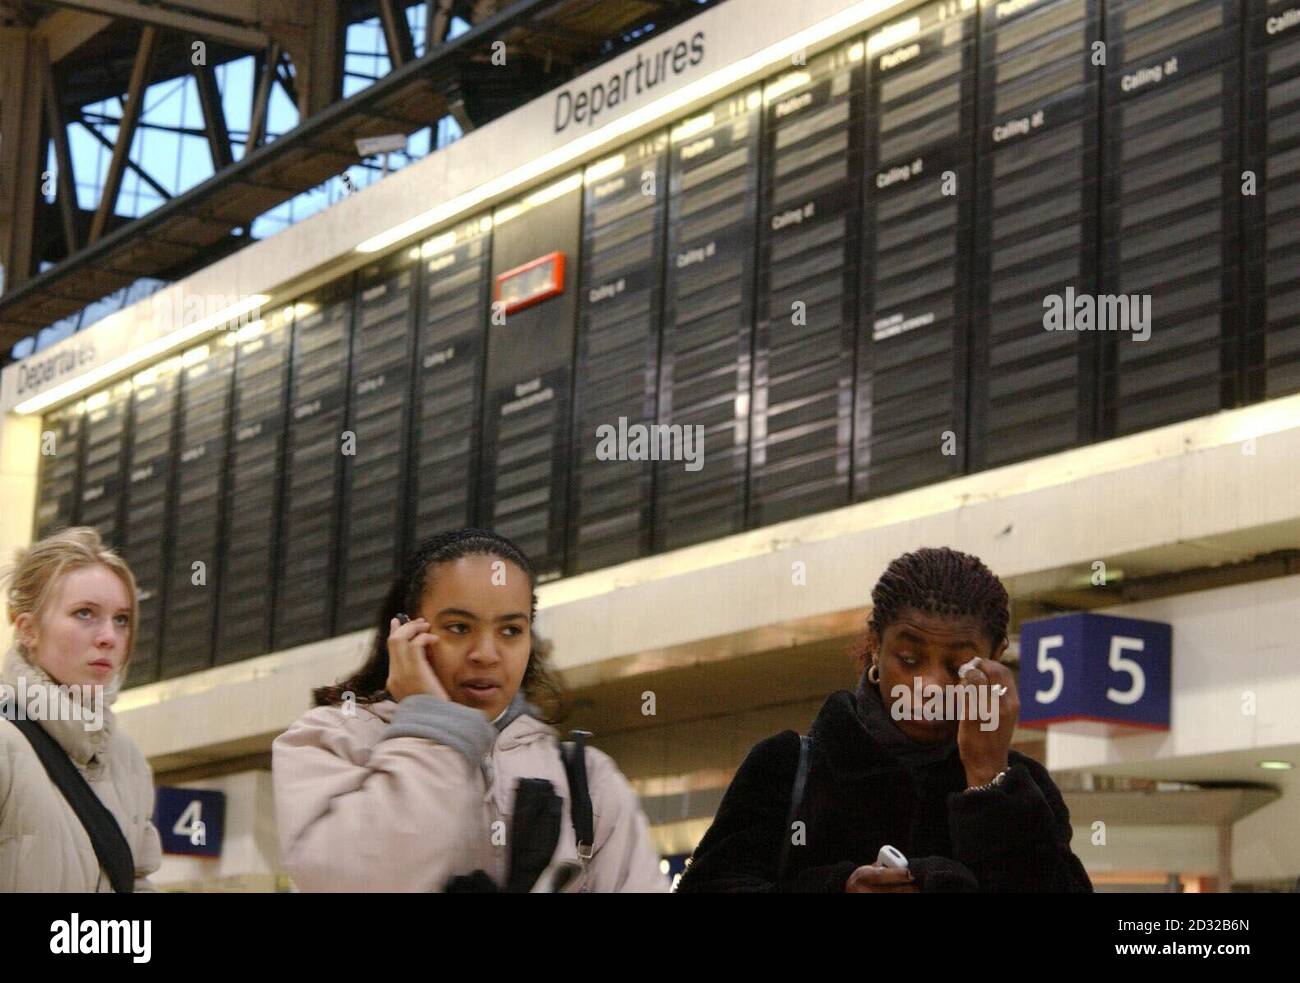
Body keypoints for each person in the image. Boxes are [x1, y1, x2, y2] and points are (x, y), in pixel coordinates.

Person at [676, 546, 1092, 893]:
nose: (929, 684)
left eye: (958, 666)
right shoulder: (785, 765)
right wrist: (839, 887)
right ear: (875, 646)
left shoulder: (1023, 787)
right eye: (909, 660)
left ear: (995, 657)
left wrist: (987, 778)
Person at [272, 527, 668, 892]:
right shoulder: (333, 740)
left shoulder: (587, 779)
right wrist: (431, 727)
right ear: (406, 633)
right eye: (459, 628)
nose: (486, 654)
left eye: (511, 630)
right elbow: (355, 882)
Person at [0, 527, 162, 892]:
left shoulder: (128, 761)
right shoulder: (5, 744)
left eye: (121, 619)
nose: (109, 636)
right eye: (85, 613)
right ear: (28, 630)